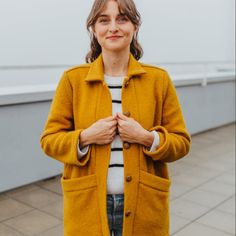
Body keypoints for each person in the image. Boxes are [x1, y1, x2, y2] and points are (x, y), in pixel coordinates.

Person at [40, 0, 191, 235]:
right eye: (104, 20)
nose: (113, 27)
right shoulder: (72, 80)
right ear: (94, 29)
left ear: (135, 26)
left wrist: (146, 137)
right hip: (86, 204)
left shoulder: (158, 80)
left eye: (122, 18)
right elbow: (49, 140)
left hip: (145, 205)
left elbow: (181, 143)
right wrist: (86, 137)